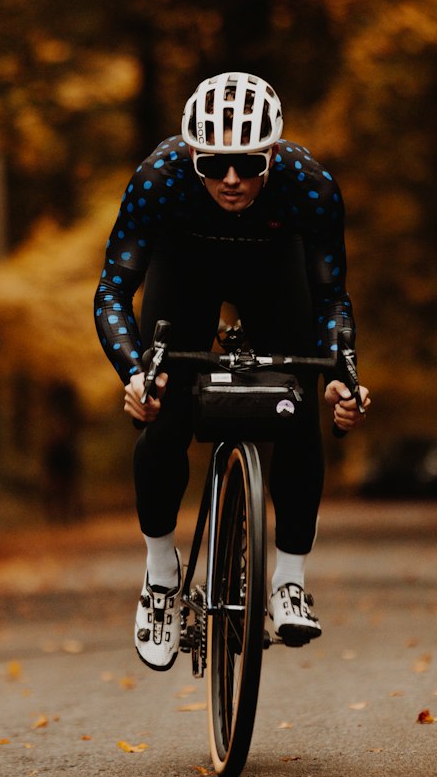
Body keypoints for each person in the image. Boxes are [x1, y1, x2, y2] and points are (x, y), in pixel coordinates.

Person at [93, 71, 370, 671]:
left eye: (248, 163)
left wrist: (344, 374)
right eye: (214, 165)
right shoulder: (160, 178)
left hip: (272, 269)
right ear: (192, 153)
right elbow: (114, 290)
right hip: (184, 268)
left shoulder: (310, 185)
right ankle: (161, 576)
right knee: (164, 412)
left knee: (296, 401)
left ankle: (289, 582)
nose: (232, 180)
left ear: (271, 153)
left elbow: (332, 299)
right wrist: (134, 375)